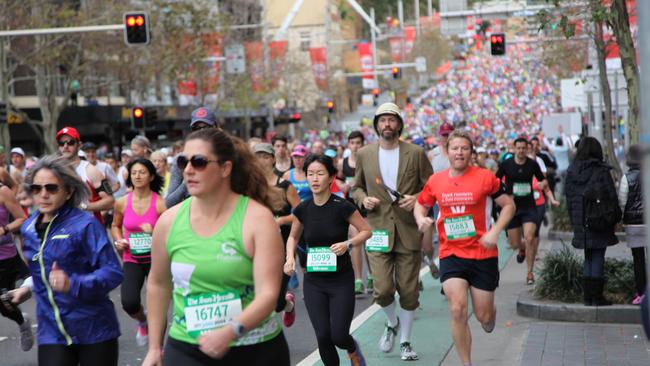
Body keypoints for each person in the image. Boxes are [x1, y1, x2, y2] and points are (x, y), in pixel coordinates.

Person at [142, 129, 289, 366]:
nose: (187, 170)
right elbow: (158, 284)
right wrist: (154, 348)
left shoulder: (257, 219)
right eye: (182, 162)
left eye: (198, 162)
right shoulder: (169, 222)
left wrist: (230, 331)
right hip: (187, 348)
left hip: (254, 350)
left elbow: (268, 295)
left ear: (225, 168)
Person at [9, 155, 123, 366]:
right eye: (36, 188)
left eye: (51, 188)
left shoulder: (85, 225)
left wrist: (73, 284)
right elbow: (42, 269)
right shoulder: (28, 229)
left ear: (68, 191)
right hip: (51, 332)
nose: (43, 194)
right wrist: (26, 288)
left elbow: (113, 272)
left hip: (93, 329)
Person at [414, 131, 515, 366]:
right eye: (455, 148)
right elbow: (421, 205)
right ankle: (466, 363)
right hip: (451, 253)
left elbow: (508, 206)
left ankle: (490, 313)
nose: (459, 152)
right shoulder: (436, 180)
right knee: (457, 309)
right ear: (446, 152)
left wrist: (495, 231)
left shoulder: (486, 177)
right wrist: (421, 219)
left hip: (483, 253)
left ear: (471, 152)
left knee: (484, 317)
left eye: (464, 148)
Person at [352, 102, 433, 361]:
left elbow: (432, 186)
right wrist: (363, 200)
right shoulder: (365, 154)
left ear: (399, 124)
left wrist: (417, 198)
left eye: (392, 120)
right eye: (382, 120)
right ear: (376, 126)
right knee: (383, 290)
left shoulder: (416, 153)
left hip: (408, 229)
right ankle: (392, 322)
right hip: (377, 229)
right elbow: (356, 187)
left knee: (409, 292)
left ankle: (406, 342)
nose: (387, 124)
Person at [284, 154, 371, 366]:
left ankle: (351, 348)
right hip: (314, 281)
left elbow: (366, 231)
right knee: (323, 336)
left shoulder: (342, 206)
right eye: (310, 174)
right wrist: (289, 259)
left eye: (320, 174)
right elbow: (293, 236)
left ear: (331, 178)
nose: (314, 179)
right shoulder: (303, 209)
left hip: (340, 280)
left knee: (339, 335)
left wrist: (347, 244)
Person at [111, 158, 166, 347]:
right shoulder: (121, 203)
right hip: (131, 258)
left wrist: (154, 232)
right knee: (129, 302)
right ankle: (142, 320)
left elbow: (171, 234)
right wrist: (118, 239)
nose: (137, 176)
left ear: (151, 176)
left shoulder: (160, 204)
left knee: (158, 306)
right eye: (134, 172)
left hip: (155, 261)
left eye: (142, 172)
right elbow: (115, 225)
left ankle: (157, 348)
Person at [565, 137, 619, 306]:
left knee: (589, 256)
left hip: (580, 220)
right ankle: (596, 296)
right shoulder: (600, 171)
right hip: (598, 219)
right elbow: (611, 196)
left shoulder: (572, 171)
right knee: (597, 256)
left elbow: (568, 197)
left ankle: (588, 296)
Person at [254, 143, 300, 327]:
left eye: (265, 156)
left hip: (284, 245)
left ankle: (287, 304)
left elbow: (300, 213)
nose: (261, 161)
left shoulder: (285, 186)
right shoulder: (251, 187)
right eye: (257, 157)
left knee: (277, 302)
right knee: (261, 293)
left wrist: (280, 221)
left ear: (273, 159)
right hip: (258, 246)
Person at [496, 137, 547, 285]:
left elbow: (542, 179)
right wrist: (504, 193)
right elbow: (495, 181)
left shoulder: (532, 164)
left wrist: (542, 184)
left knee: (530, 238)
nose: (521, 151)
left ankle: (530, 273)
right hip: (512, 208)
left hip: (529, 207)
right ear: (514, 148)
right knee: (514, 243)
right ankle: (522, 248)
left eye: (524, 148)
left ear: (527, 149)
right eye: (518, 148)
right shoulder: (506, 164)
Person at [56, 127, 115, 223]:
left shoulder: (90, 170)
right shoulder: (55, 170)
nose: (65, 146)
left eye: (70, 142)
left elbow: (110, 201)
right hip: (63, 227)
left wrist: (84, 206)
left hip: (87, 228)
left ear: (79, 145)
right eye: (61, 143)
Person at [339, 131, 373, 295]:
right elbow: (334, 179)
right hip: (350, 207)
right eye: (352, 143)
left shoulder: (368, 161)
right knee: (355, 241)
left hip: (367, 206)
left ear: (363, 144)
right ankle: (359, 280)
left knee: (369, 244)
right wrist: (342, 184)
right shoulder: (342, 163)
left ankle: (373, 276)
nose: (355, 146)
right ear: (348, 145)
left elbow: (377, 180)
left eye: (358, 143)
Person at [166, 106, 220, 208]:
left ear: (215, 127)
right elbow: (169, 203)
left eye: (206, 127)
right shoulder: (181, 160)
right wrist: (187, 181)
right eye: (197, 128)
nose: (202, 131)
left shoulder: (226, 155)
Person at [0, 181, 30, 351]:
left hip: (5, 259)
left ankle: (22, 322)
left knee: (5, 306)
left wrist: (4, 229)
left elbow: (22, 219)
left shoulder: (3, 191)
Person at [618, 144, 646, 305]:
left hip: (634, 224)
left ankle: (641, 293)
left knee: (638, 259)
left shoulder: (626, 178)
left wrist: (622, 219)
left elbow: (623, 201)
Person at [282, 144, 312, 290]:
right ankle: (298, 282)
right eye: (295, 157)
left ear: (305, 157)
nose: (298, 160)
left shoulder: (310, 173)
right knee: (299, 252)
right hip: (294, 218)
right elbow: (281, 195)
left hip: (311, 217)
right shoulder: (288, 175)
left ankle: (311, 285)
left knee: (309, 253)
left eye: (300, 157)